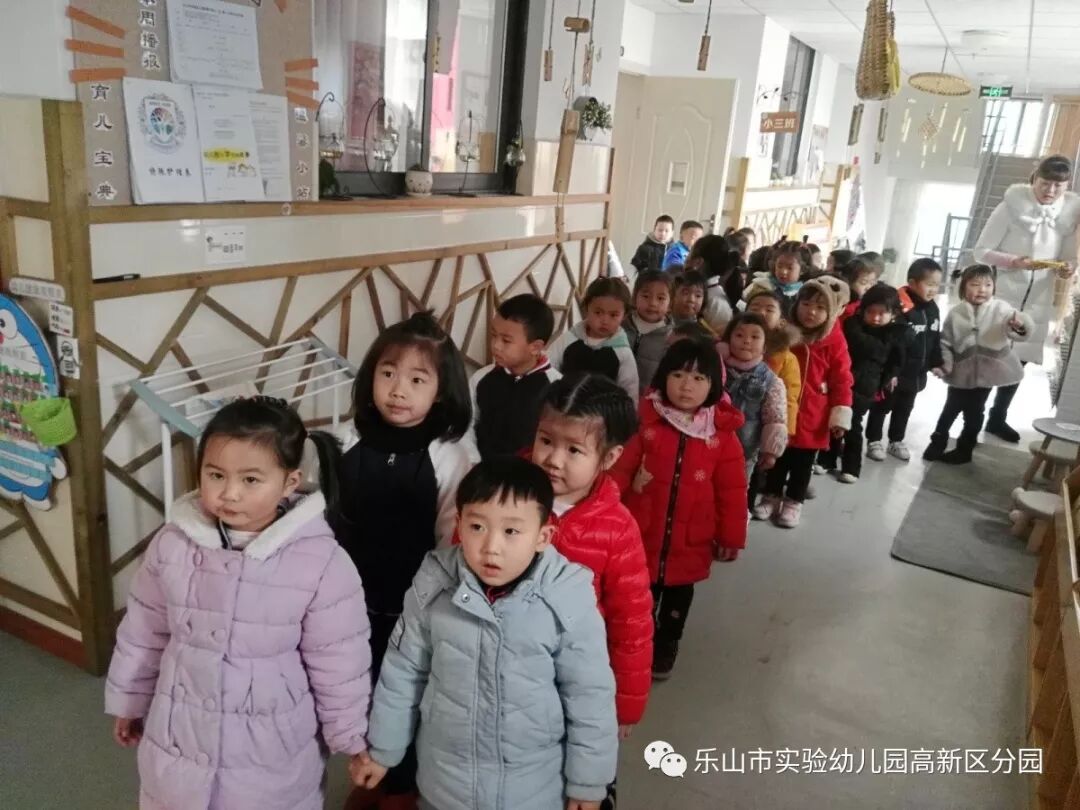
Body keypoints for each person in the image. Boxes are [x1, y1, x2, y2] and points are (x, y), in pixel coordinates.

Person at [106, 397, 371, 810]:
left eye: (250, 480)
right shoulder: (172, 543)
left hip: (267, 748)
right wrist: (130, 700)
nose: (229, 493)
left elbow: (339, 660)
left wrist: (350, 735)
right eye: (216, 475)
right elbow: (144, 629)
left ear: (290, 482)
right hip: (179, 731)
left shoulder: (321, 561)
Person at [351, 457, 617, 810]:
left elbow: (590, 695)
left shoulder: (565, 597)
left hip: (532, 789)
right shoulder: (433, 585)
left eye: (511, 531)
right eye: (477, 526)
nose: (491, 546)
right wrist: (384, 750)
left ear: (543, 536)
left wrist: (587, 784)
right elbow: (403, 673)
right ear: (459, 524)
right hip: (444, 784)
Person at [333, 311, 476, 808]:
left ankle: (402, 788)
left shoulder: (450, 455)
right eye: (388, 373)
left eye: (417, 379)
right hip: (349, 601)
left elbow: (450, 540)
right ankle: (369, 775)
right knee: (362, 690)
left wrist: (432, 608)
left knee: (407, 695)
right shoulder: (348, 440)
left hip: (414, 608)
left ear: (441, 391)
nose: (398, 390)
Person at [610, 340, 747, 680]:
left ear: (714, 385)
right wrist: (606, 511)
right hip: (643, 533)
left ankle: (667, 643)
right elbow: (619, 471)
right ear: (663, 377)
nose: (687, 386)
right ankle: (637, 646)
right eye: (678, 375)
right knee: (638, 599)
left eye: (699, 378)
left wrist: (730, 536)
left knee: (677, 603)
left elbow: (732, 491)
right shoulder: (645, 423)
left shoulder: (721, 435)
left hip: (691, 539)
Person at [531, 374, 653, 740]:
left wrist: (625, 706)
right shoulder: (502, 495)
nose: (553, 460)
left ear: (609, 457)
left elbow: (631, 625)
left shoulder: (618, 529)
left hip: (574, 681)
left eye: (574, 450)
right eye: (545, 440)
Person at [973, 154, 1080, 443]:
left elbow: (1069, 258)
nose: (1050, 191)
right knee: (990, 359)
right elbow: (981, 251)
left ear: (1066, 186)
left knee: (1018, 363)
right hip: (1004, 296)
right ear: (1035, 178)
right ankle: (973, 419)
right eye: (1045, 183)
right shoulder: (1010, 207)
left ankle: (997, 418)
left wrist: (1068, 268)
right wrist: (1013, 262)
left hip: (1039, 302)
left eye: (1058, 186)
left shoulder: (1069, 214)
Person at [757, 276, 853, 527]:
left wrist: (840, 413)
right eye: (806, 304)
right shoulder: (785, 333)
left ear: (830, 313)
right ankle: (771, 496)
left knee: (803, 463)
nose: (811, 312)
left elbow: (842, 379)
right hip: (783, 409)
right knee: (777, 456)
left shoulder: (834, 341)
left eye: (820, 307)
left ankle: (794, 501)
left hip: (814, 414)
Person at [924, 264, 1035, 465]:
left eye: (988, 285)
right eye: (975, 285)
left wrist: (1019, 324)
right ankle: (937, 442)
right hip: (961, 372)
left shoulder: (1001, 308)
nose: (982, 290)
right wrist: (945, 365)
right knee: (950, 409)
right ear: (963, 287)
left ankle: (965, 449)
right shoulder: (956, 313)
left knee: (975, 412)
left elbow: (1018, 327)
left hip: (988, 373)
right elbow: (945, 342)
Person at [868, 258, 944, 461]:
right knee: (882, 406)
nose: (933, 290)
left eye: (937, 285)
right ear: (912, 282)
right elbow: (890, 341)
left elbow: (935, 338)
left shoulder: (932, 309)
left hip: (915, 374)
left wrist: (936, 363)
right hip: (894, 373)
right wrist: (889, 372)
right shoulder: (899, 307)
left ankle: (896, 440)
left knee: (904, 409)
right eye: (929, 284)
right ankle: (874, 440)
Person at [469, 294, 560, 459]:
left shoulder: (557, 387)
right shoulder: (481, 377)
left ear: (535, 347)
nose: (495, 345)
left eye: (506, 340)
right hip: (480, 468)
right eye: (493, 335)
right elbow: (466, 425)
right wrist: (472, 461)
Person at [830, 283, 906, 482]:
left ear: (893, 314)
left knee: (853, 425)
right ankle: (827, 459)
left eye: (882, 313)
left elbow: (896, 361)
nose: (875, 317)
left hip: (867, 385)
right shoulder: (852, 325)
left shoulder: (895, 334)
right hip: (843, 379)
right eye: (871, 312)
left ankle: (851, 468)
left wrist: (887, 378)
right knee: (834, 418)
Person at [718, 312, 788, 482]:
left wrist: (770, 451)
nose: (747, 341)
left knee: (736, 487)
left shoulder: (771, 381)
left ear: (765, 346)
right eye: (739, 335)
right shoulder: (714, 368)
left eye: (755, 337)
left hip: (745, 451)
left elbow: (775, 418)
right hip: (709, 445)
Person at [547, 277, 639, 401]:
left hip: (601, 411)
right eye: (598, 312)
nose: (605, 320)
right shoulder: (569, 338)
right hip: (563, 405)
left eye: (613, 315)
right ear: (586, 309)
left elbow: (630, 390)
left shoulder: (622, 352)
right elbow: (549, 366)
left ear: (624, 315)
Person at [622, 269, 673, 393]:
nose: (652, 303)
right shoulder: (621, 324)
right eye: (646, 296)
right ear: (635, 297)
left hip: (648, 398)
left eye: (660, 298)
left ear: (670, 304)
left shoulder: (671, 337)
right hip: (615, 393)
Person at [744, 241, 804, 315]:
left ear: (802, 270)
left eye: (790, 268)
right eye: (779, 266)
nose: (783, 272)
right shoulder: (759, 286)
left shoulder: (803, 293)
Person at [670, 268, 714, 339]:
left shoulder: (703, 333)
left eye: (698, 296)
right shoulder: (661, 320)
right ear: (673, 294)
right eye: (685, 293)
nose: (691, 300)